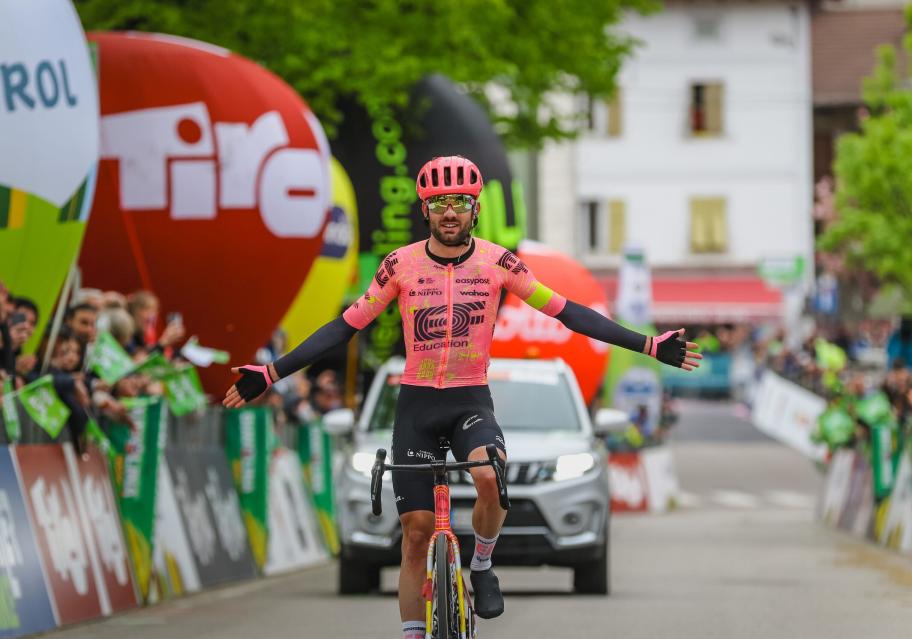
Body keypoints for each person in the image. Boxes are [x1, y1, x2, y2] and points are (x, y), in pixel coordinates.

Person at [223, 156, 701, 636]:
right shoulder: (400, 265)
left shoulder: (498, 263)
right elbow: (343, 328)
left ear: (474, 210)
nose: (449, 212)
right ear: (425, 211)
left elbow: (568, 313)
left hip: (469, 400)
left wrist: (649, 344)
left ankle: (483, 564)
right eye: (439, 203)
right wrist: (270, 373)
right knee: (415, 534)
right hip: (416, 404)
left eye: (460, 202)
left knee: (489, 476)